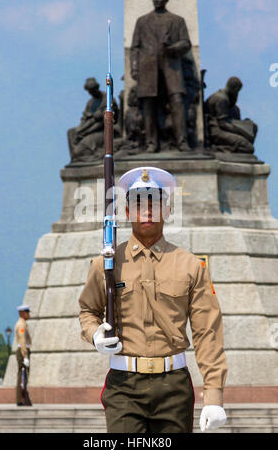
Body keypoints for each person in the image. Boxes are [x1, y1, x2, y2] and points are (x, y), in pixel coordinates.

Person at [79, 166, 228, 433]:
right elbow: (88, 311)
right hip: (124, 386)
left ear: (167, 210)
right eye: (138, 203)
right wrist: (95, 335)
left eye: (154, 202)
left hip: (174, 387)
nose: (147, 210)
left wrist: (214, 395)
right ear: (126, 212)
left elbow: (208, 332)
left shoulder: (191, 266)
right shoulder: (106, 264)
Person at [130, 0, 192, 152]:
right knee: (149, 105)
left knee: (177, 101)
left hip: (171, 66)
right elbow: (135, 47)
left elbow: (186, 42)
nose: (156, 0)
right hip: (148, 68)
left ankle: (182, 141)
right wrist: (134, 68)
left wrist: (173, 48)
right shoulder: (142, 21)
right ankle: (151, 143)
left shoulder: (177, 20)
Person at [206, 77, 258, 154]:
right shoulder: (222, 99)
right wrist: (241, 130)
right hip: (216, 132)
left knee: (252, 128)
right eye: (237, 91)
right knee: (248, 147)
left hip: (222, 129)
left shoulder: (226, 99)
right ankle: (217, 149)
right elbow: (222, 123)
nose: (237, 94)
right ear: (234, 89)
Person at [15, 305, 32, 406]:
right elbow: (22, 340)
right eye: (27, 312)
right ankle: (21, 399)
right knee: (22, 376)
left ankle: (24, 399)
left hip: (22, 351)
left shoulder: (23, 323)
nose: (28, 314)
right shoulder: (21, 325)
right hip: (22, 352)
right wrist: (25, 356)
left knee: (23, 376)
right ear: (22, 313)